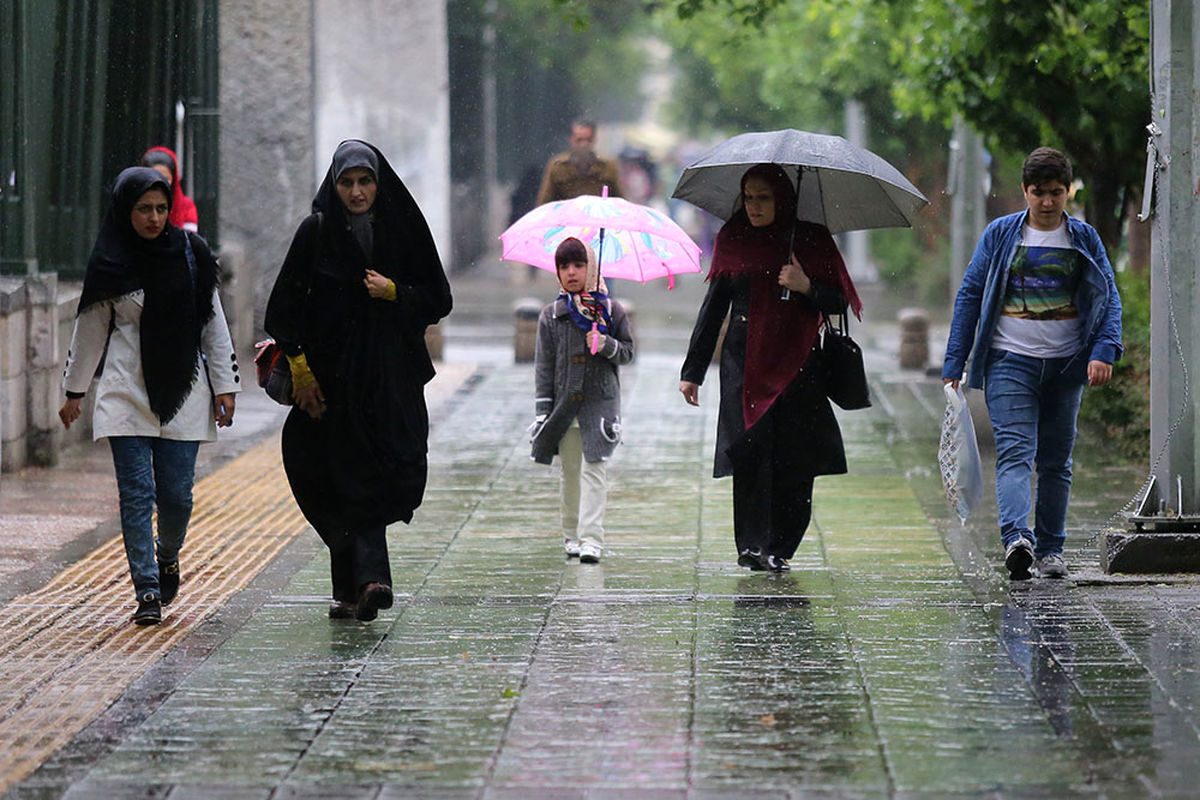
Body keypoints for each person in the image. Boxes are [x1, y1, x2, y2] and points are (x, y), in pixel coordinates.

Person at [265, 140, 452, 621]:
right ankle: (364, 583)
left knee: (378, 474)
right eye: (346, 182)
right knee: (327, 477)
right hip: (329, 387)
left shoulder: (402, 229)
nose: (356, 192)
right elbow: (283, 310)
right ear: (335, 185)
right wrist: (302, 373)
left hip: (390, 383)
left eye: (364, 181)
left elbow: (437, 297)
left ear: (378, 182)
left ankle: (360, 585)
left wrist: (395, 292)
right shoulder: (318, 232)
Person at [59, 166, 240, 626]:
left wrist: (226, 385)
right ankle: (146, 589)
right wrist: (74, 390)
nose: (154, 218)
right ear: (126, 210)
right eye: (144, 209)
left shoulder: (191, 253)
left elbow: (212, 324)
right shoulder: (110, 261)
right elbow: (90, 329)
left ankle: (167, 556)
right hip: (125, 391)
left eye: (161, 208)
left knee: (177, 497)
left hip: (184, 390)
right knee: (137, 493)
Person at [943, 146, 1122, 581]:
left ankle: (1051, 550)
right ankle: (1017, 539)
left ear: (1068, 192)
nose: (1046, 202)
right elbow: (970, 294)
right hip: (1010, 364)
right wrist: (955, 360)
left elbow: (1108, 296)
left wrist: (1103, 350)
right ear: (1024, 190)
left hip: (1067, 366)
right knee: (1015, 452)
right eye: (1038, 192)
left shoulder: (1084, 238)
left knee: (1056, 460)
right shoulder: (1001, 235)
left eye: (1056, 193)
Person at [679, 164, 860, 572]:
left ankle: (782, 545)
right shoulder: (734, 238)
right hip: (743, 363)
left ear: (783, 198)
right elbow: (714, 307)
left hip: (799, 363)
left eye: (763, 197)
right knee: (750, 451)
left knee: (795, 458)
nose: (755, 206)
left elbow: (839, 301)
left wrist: (805, 285)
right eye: (748, 197)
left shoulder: (811, 240)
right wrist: (693, 371)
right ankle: (752, 544)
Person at [530, 237, 635, 563]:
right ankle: (572, 534)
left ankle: (592, 539)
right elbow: (544, 366)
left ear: (591, 267)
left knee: (594, 470)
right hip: (564, 406)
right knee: (570, 473)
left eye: (579, 265)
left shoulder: (611, 310)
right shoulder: (552, 315)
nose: (572, 272)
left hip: (599, 405)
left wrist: (604, 343)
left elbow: (628, 353)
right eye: (565, 266)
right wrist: (543, 411)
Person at [536, 119, 623, 205]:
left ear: (594, 139)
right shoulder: (558, 167)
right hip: (566, 217)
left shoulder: (607, 167)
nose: (584, 144)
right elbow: (545, 202)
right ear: (571, 139)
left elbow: (620, 202)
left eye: (588, 140)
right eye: (579, 140)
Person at [140, 146, 199, 232]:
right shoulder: (133, 203)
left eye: (165, 178)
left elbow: (189, 242)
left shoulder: (186, 206)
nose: (155, 219)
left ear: (173, 179)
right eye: (153, 177)